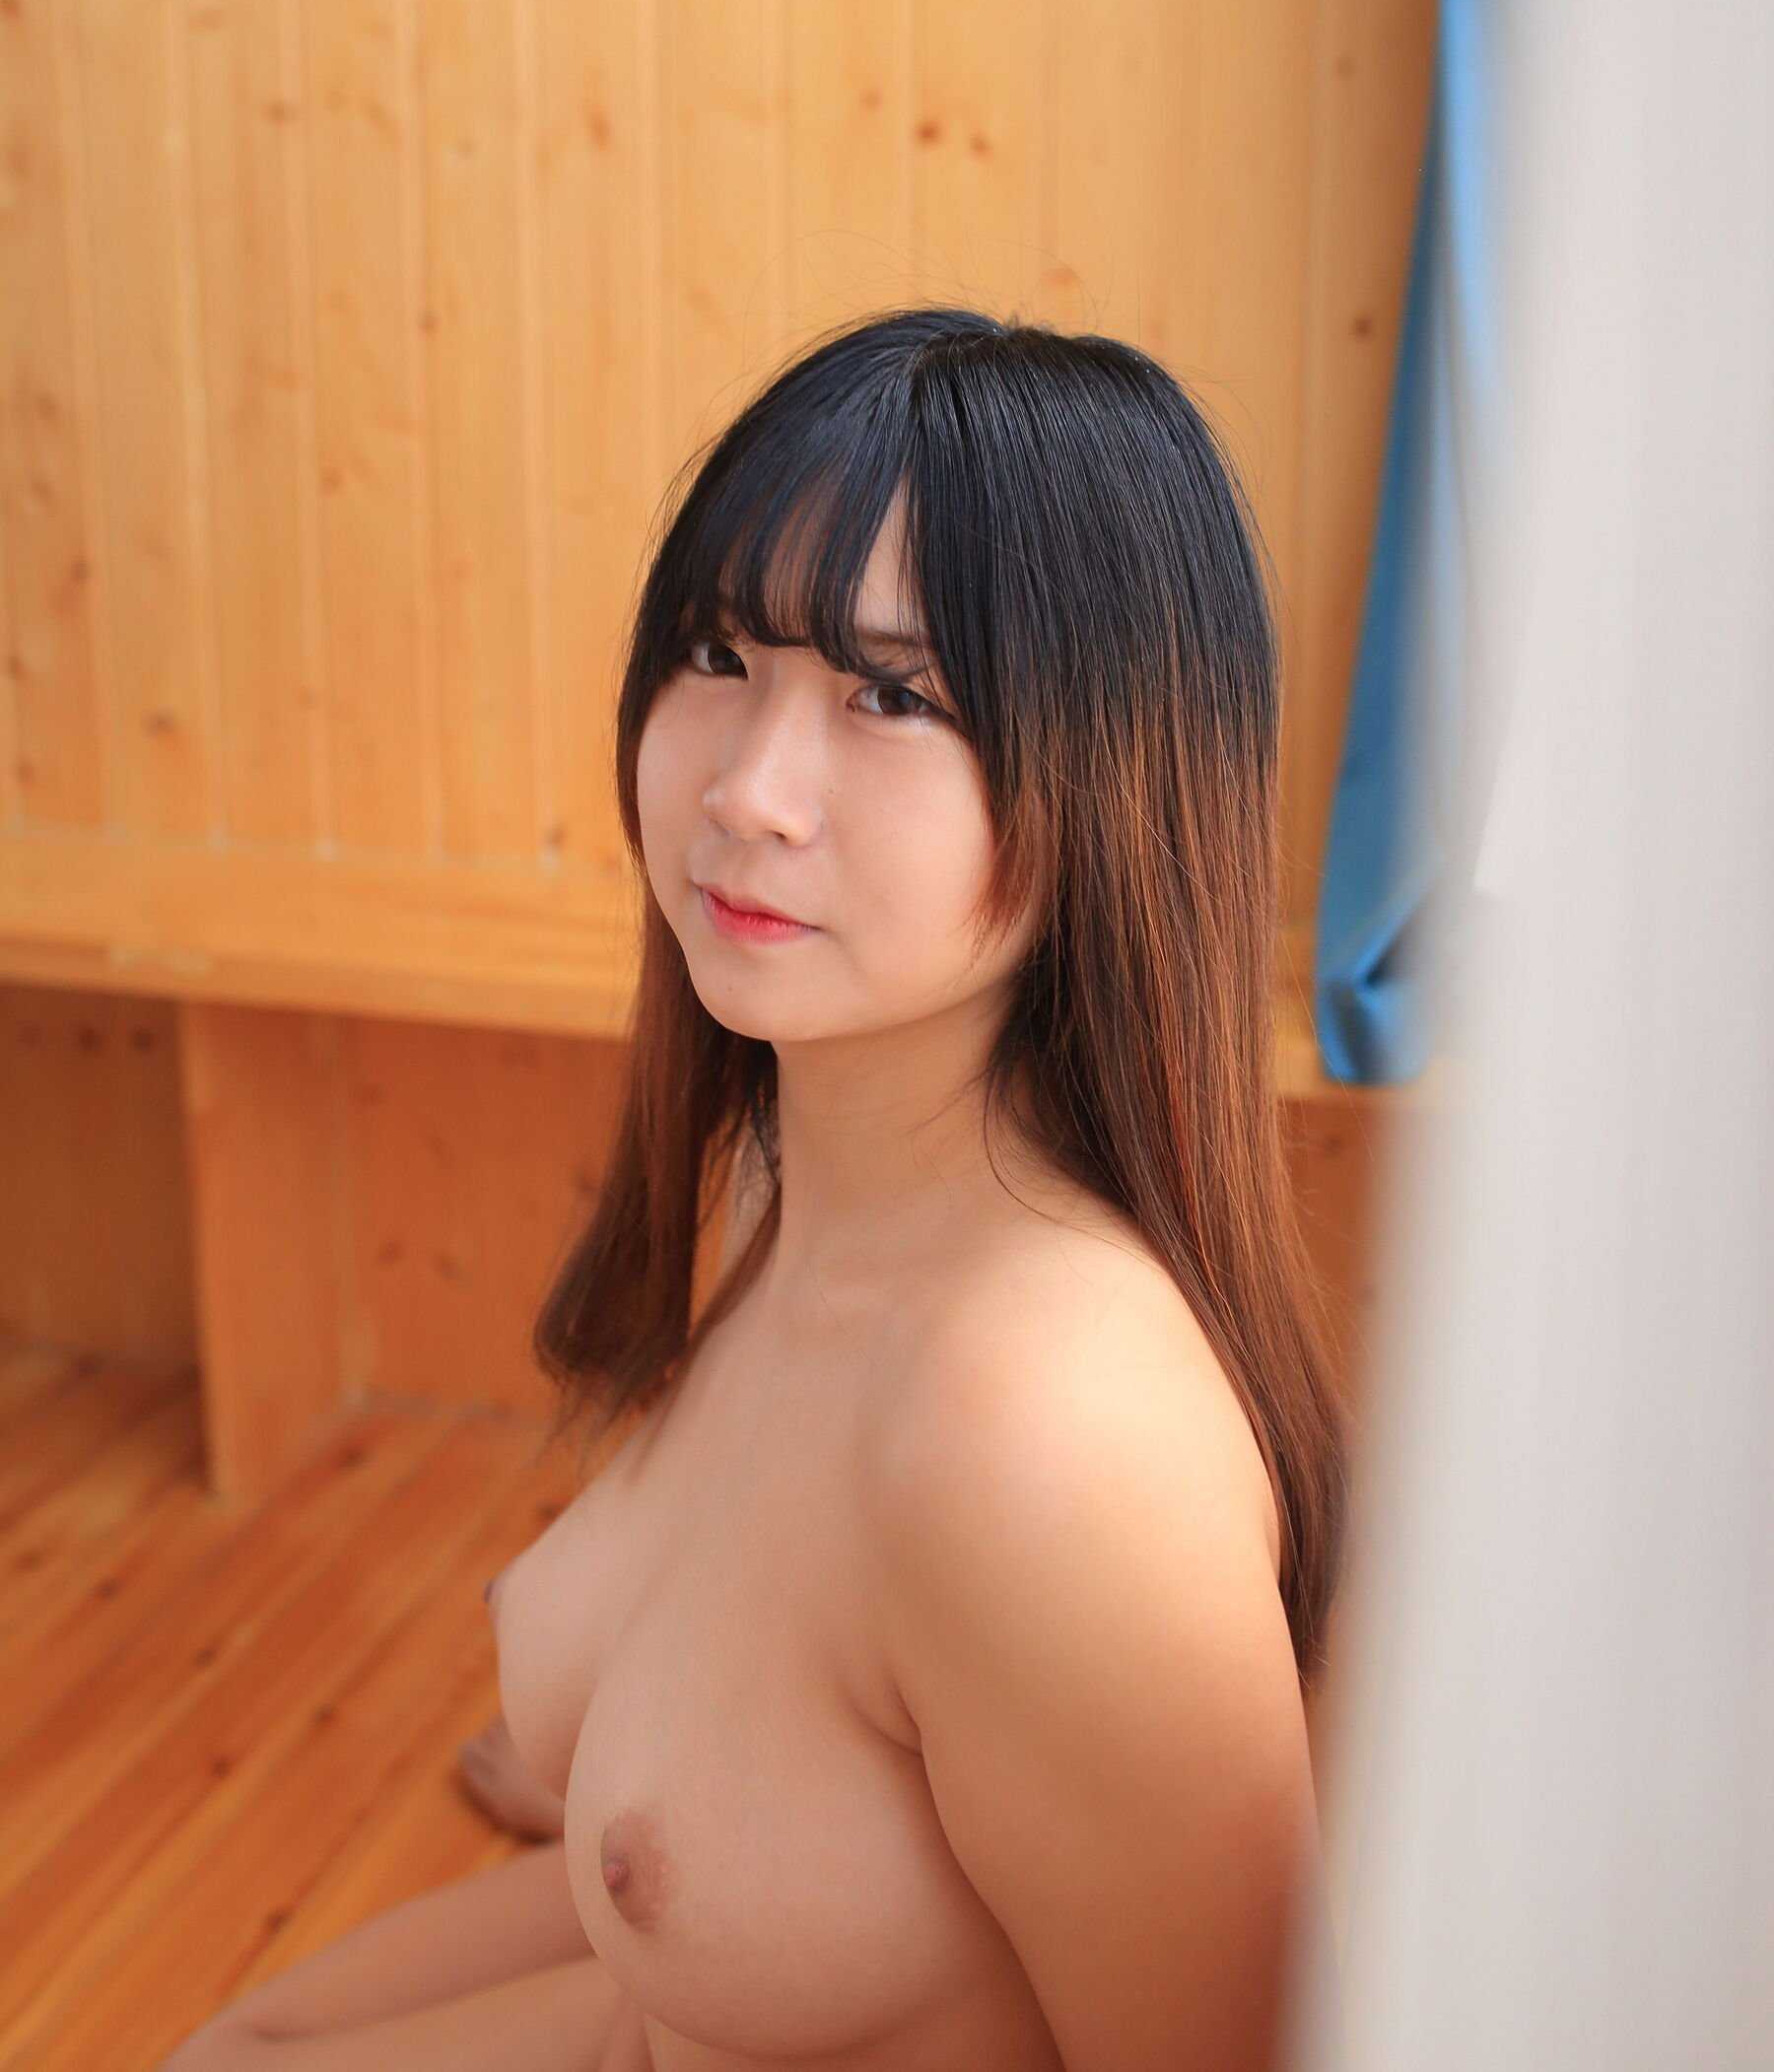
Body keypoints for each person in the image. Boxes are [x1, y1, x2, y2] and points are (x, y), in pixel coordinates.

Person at [164, 306, 1349, 2071]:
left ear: (1117, 776)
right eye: (720, 653)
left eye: (893, 696)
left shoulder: (1046, 1439)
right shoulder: (798, 1178)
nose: (747, 790)